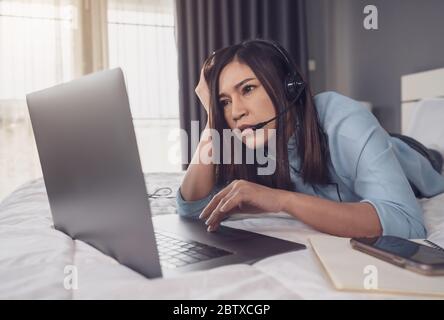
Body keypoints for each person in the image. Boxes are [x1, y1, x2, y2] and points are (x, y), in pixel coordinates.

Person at [176, 39, 444, 239]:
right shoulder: (254, 136)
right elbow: (193, 208)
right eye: (225, 101)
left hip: (420, 158)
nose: (235, 112)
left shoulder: (341, 119)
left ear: (289, 88)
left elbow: (406, 221)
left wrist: (282, 200)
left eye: (247, 89)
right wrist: (212, 116)